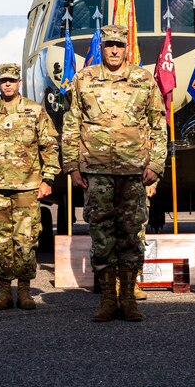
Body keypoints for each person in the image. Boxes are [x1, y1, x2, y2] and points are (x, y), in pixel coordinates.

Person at [62, 24, 167, 322]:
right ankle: (108, 299)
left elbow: (158, 125)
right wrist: (71, 166)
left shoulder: (143, 79)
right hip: (96, 170)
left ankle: (129, 298)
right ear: (102, 47)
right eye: (109, 45)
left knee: (131, 235)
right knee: (101, 233)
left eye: (119, 45)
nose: (113, 50)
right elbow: (71, 125)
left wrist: (155, 165)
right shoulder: (84, 79)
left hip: (133, 171)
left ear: (126, 47)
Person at [0, 63, 60, 311]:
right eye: (3, 80)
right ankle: (3, 291)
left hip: (28, 188)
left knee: (27, 241)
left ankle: (25, 290)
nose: (7, 84)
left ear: (19, 82)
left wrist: (48, 179)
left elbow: (50, 146)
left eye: (11, 80)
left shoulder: (34, 111)